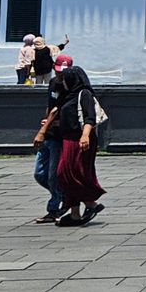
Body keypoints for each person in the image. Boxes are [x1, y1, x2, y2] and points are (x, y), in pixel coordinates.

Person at [54, 64, 104, 225]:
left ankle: (91, 202)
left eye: (65, 78)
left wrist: (85, 136)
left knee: (67, 172)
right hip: (68, 138)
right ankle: (75, 213)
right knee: (69, 173)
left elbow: (90, 117)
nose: (63, 82)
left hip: (79, 139)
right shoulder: (68, 96)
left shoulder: (85, 94)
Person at [30, 69, 67, 223]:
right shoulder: (52, 83)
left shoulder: (70, 86)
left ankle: (53, 209)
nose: (60, 75)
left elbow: (61, 112)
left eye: (63, 73)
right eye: (58, 71)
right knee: (40, 174)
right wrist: (46, 122)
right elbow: (50, 106)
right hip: (49, 135)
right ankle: (64, 196)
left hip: (60, 137)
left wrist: (46, 127)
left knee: (53, 177)